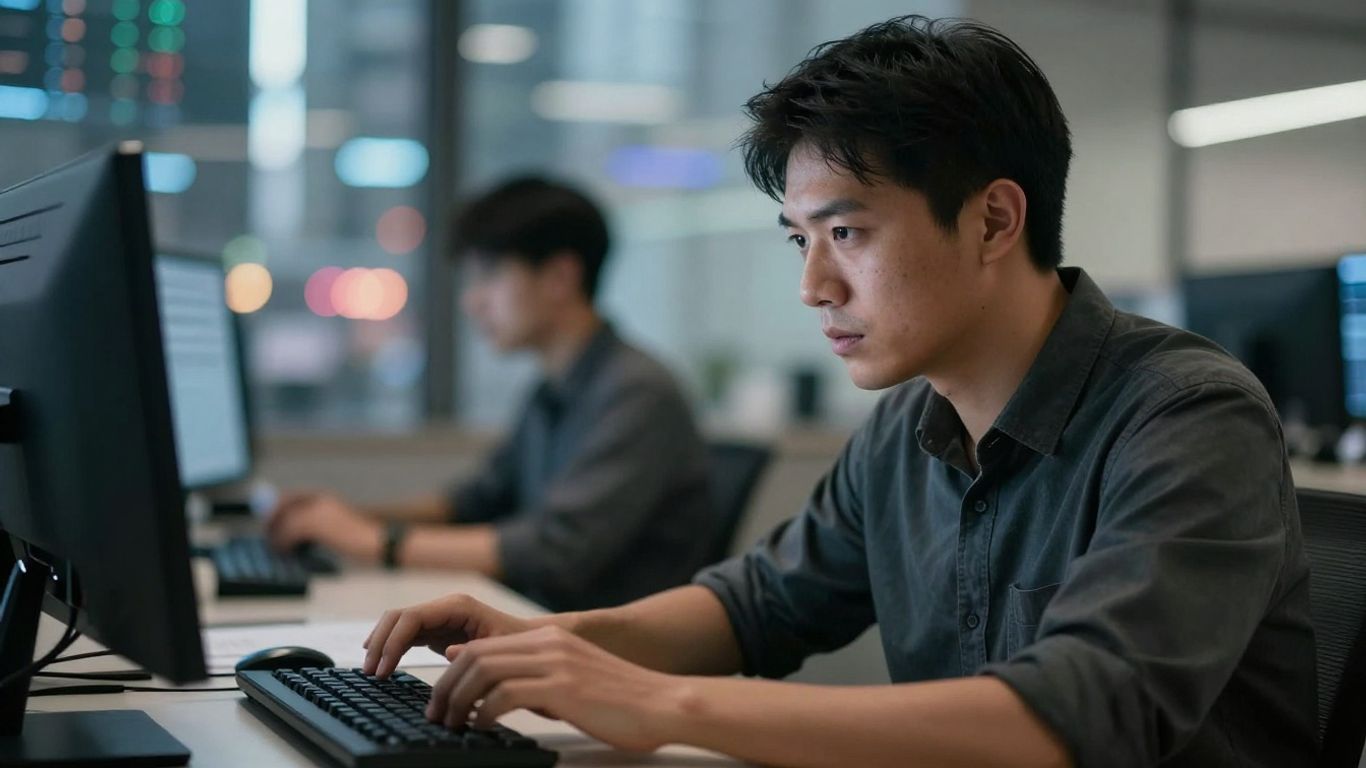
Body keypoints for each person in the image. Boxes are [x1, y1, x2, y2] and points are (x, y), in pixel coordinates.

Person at [359, 16, 1317, 768]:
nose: (812, 285)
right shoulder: (909, 423)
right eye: (799, 240)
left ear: (992, 221)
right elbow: (758, 607)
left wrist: (658, 704)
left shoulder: (1188, 415)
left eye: (847, 234)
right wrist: (546, 642)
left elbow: (1080, 717)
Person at [267, 176, 716, 612]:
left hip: (607, 654)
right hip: (543, 626)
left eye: (490, 275)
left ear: (560, 276)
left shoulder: (636, 392)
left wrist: (363, 539)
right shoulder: (554, 387)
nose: (472, 301)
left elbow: (554, 552)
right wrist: (349, 518)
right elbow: (473, 503)